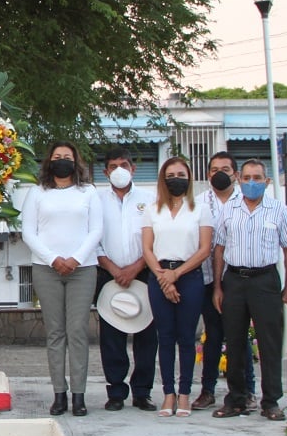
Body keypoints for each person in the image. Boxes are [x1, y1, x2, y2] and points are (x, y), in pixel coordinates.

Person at [210, 158, 287, 421]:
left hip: (265, 280)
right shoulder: (229, 209)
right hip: (234, 280)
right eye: (247, 177)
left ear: (267, 181)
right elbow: (219, 249)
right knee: (235, 342)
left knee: (269, 344)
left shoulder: (278, 210)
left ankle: (271, 401)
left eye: (257, 178)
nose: (251, 183)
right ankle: (236, 399)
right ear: (238, 179)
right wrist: (217, 286)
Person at [20, 142, 103, 417]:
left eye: (67, 157)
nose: (62, 161)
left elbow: (96, 230)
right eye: (57, 157)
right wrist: (54, 258)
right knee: (55, 333)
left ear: (75, 161)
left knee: (77, 332)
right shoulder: (37, 192)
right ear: (49, 162)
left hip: (83, 269)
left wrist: (75, 258)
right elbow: (28, 233)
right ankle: (59, 394)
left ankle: (79, 395)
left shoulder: (88, 192)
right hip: (46, 269)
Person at [142, 157, 214, 418]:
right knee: (165, 338)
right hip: (159, 275)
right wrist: (164, 278)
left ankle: (184, 394)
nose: (176, 178)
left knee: (186, 338)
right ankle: (168, 394)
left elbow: (205, 249)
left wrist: (177, 275)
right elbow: (147, 249)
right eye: (171, 174)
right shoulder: (152, 210)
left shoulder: (200, 209)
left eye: (181, 174)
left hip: (190, 276)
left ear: (189, 177)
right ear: (163, 178)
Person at [192, 152, 257, 411]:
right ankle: (208, 390)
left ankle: (247, 391)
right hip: (208, 278)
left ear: (235, 174)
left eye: (226, 169)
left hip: (239, 279)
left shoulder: (249, 201)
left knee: (240, 337)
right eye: (214, 169)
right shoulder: (198, 203)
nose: (220, 173)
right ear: (208, 174)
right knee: (212, 335)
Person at [95, 149, 158, 412]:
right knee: (111, 335)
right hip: (107, 271)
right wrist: (112, 267)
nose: (119, 169)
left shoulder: (150, 199)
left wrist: (136, 267)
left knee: (146, 335)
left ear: (133, 168)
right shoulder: (96, 199)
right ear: (105, 172)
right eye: (113, 166)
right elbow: (93, 237)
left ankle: (142, 392)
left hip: (142, 271)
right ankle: (116, 392)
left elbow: (156, 236)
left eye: (124, 165)